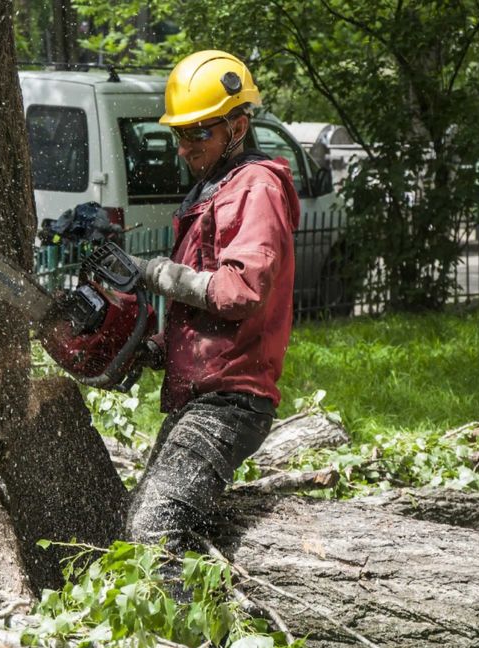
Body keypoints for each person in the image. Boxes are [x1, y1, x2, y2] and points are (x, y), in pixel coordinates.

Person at [124, 50, 301, 568]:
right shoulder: (216, 189)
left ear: (237, 127)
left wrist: (160, 274)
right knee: (136, 516)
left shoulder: (256, 187)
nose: (185, 148)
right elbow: (203, 311)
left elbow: (240, 290)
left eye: (199, 134)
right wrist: (156, 347)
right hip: (203, 392)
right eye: (180, 135)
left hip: (231, 400)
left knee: (151, 532)